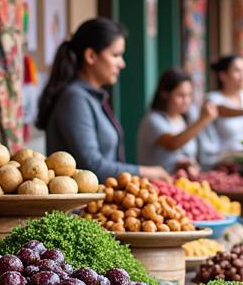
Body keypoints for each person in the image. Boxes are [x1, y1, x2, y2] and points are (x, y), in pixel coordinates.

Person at [36, 17, 167, 181]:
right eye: (116, 55)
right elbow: (92, 166)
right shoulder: (75, 98)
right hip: (81, 206)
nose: (122, 64)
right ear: (91, 56)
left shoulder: (92, 97)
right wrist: (148, 172)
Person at [136, 69, 217, 174]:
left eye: (189, 95)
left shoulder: (182, 119)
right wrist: (203, 120)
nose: (187, 100)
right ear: (164, 94)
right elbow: (173, 143)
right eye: (181, 95)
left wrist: (186, 164)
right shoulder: (152, 120)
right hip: (155, 187)